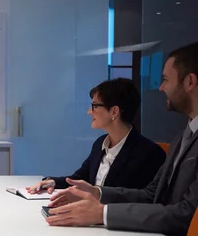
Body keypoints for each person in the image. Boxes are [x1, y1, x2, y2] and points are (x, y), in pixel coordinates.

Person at [46, 42, 198, 236]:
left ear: (189, 82)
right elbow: (151, 195)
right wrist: (97, 192)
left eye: (166, 80)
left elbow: (186, 214)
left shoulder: (149, 151)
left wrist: (103, 213)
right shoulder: (182, 137)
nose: (161, 88)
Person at [27, 78, 165, 194]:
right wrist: (52, 182)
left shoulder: (148, 153)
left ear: (114, 111)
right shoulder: (100, 143)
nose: (89, 112)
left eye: (94, 106)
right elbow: (81, 178)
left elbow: (140, 201)